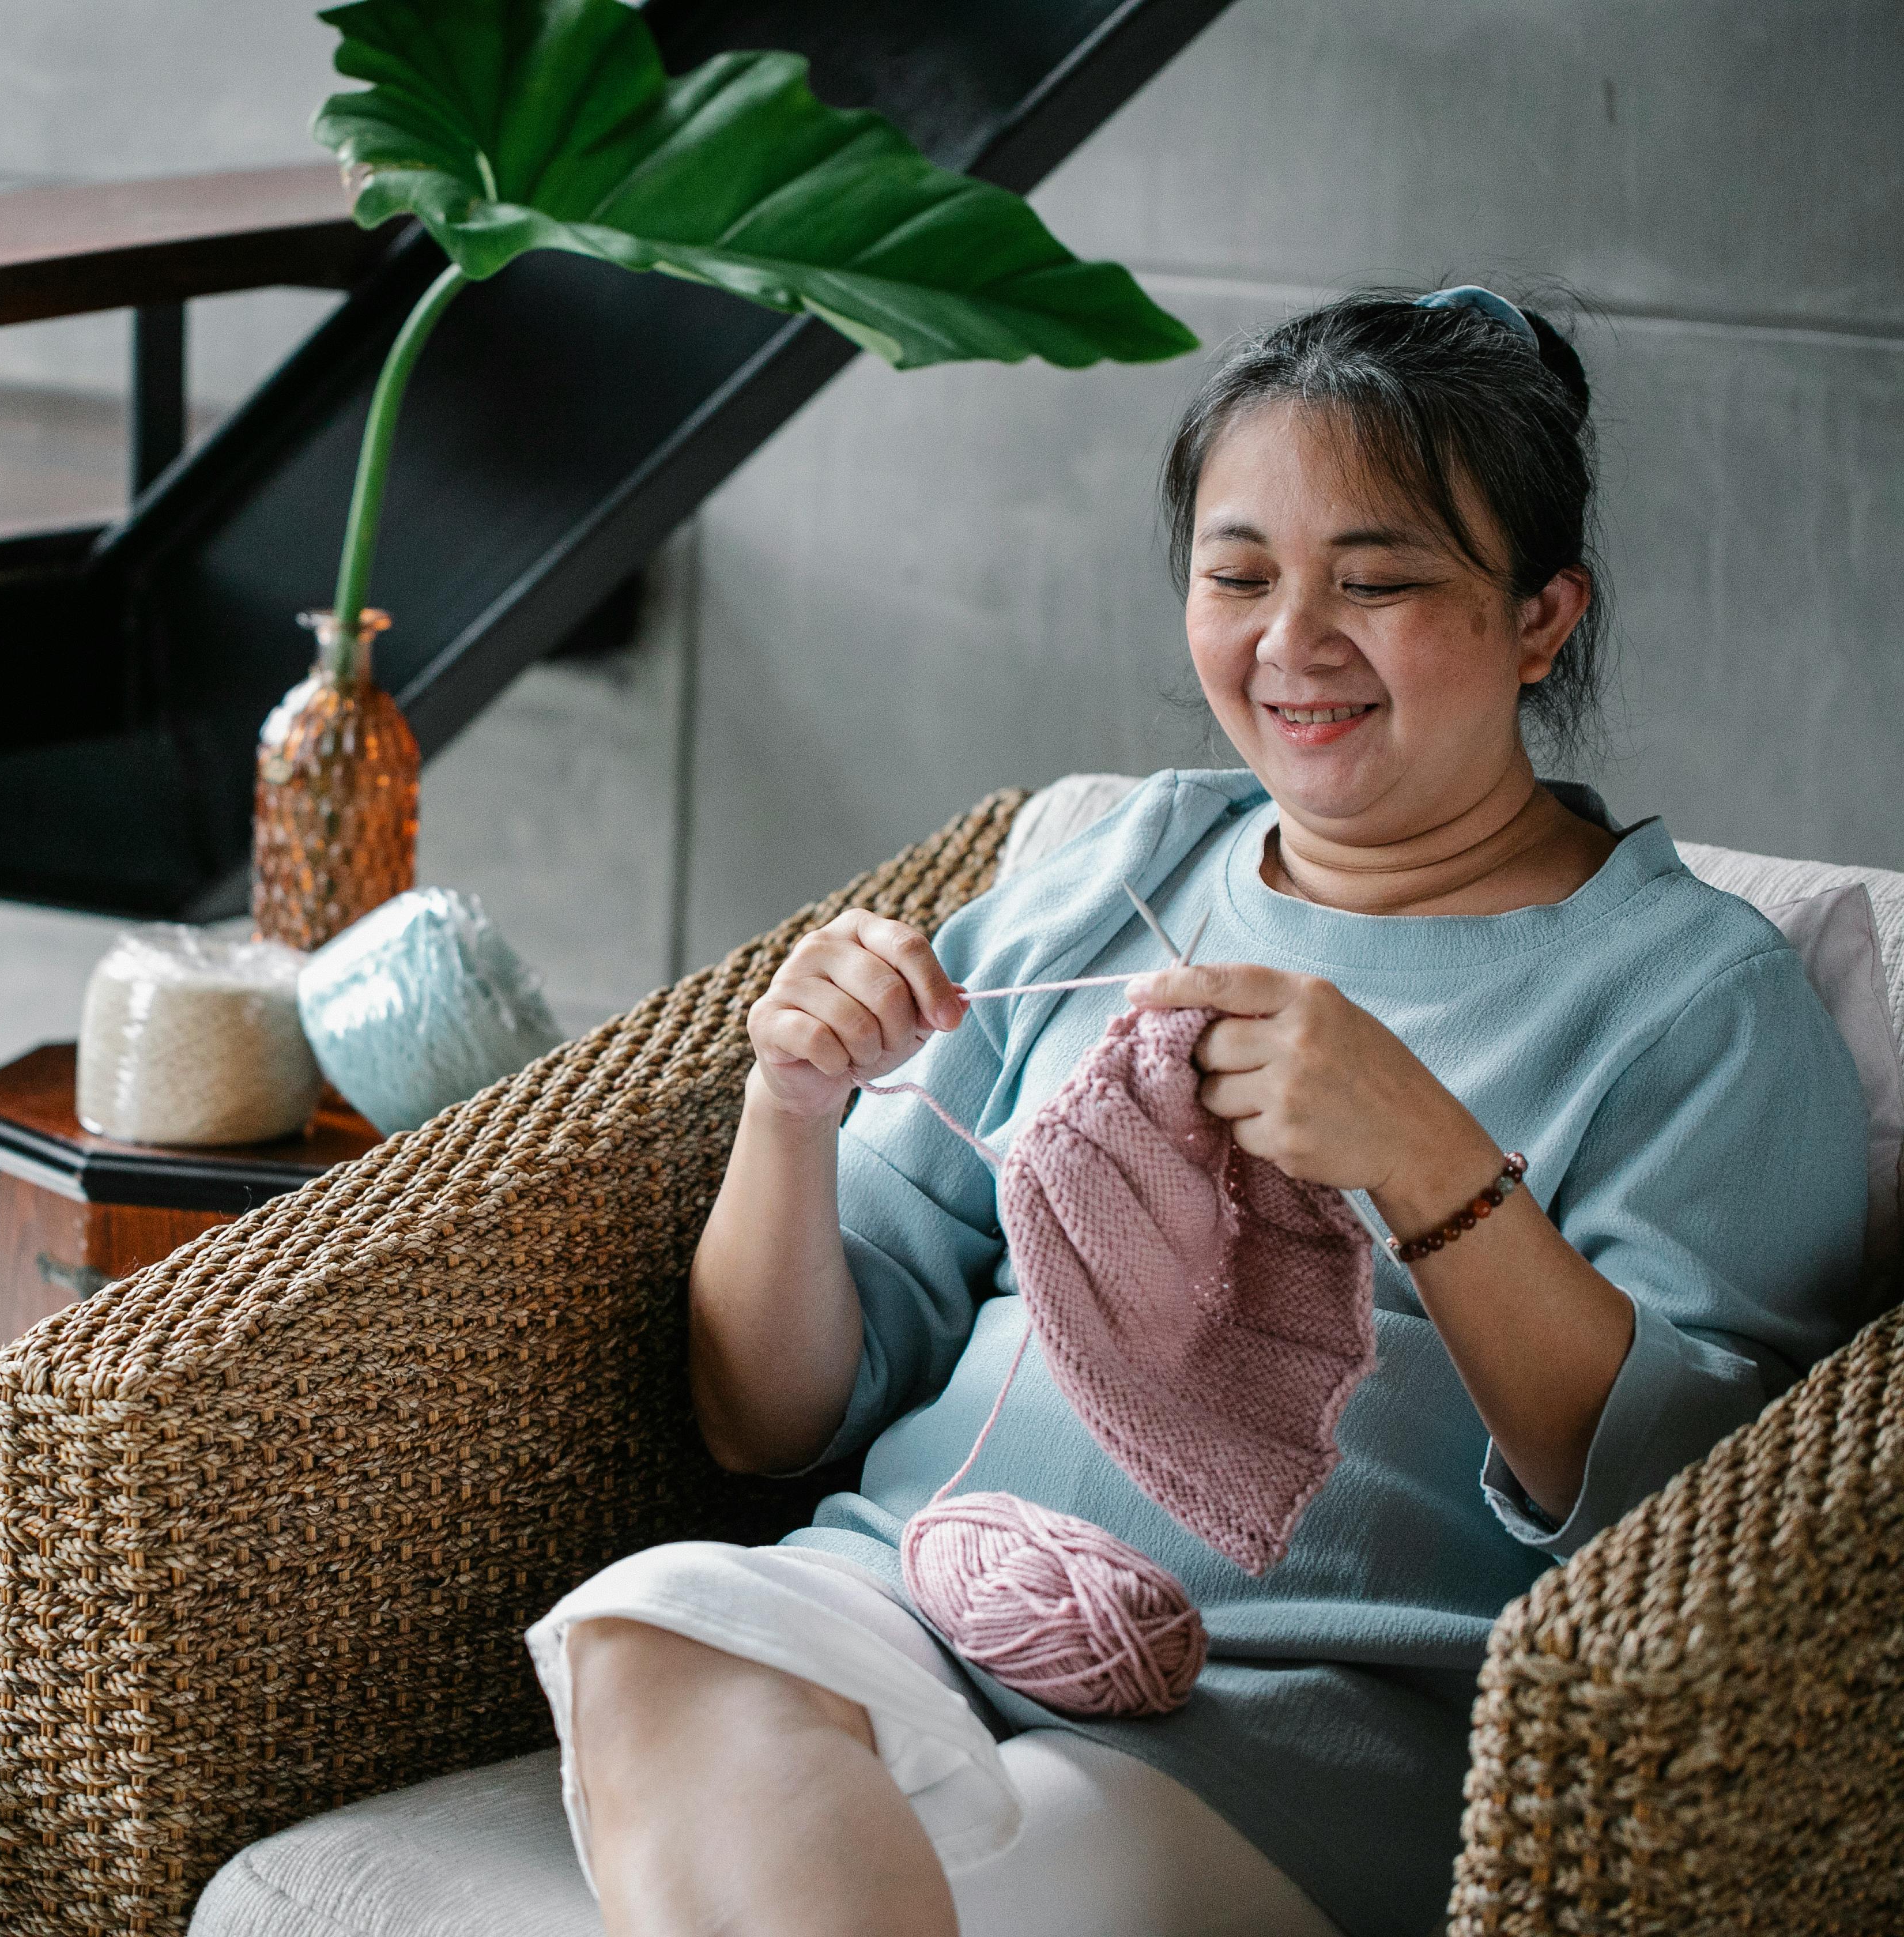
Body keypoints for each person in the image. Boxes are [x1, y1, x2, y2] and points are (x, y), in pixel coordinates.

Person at [524, 288, 1874, 1937]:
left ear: (1540, 618)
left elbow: (1711, 1516)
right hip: (915, 1608)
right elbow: (765, 1421)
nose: (1292, 643)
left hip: (1288, 1736)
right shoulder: (1116, 878)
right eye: (1239, 578)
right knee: (652, 1622)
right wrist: (791, 1113)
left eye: (1376, 582)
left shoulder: (1696, 1000)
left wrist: (1430, 1163)